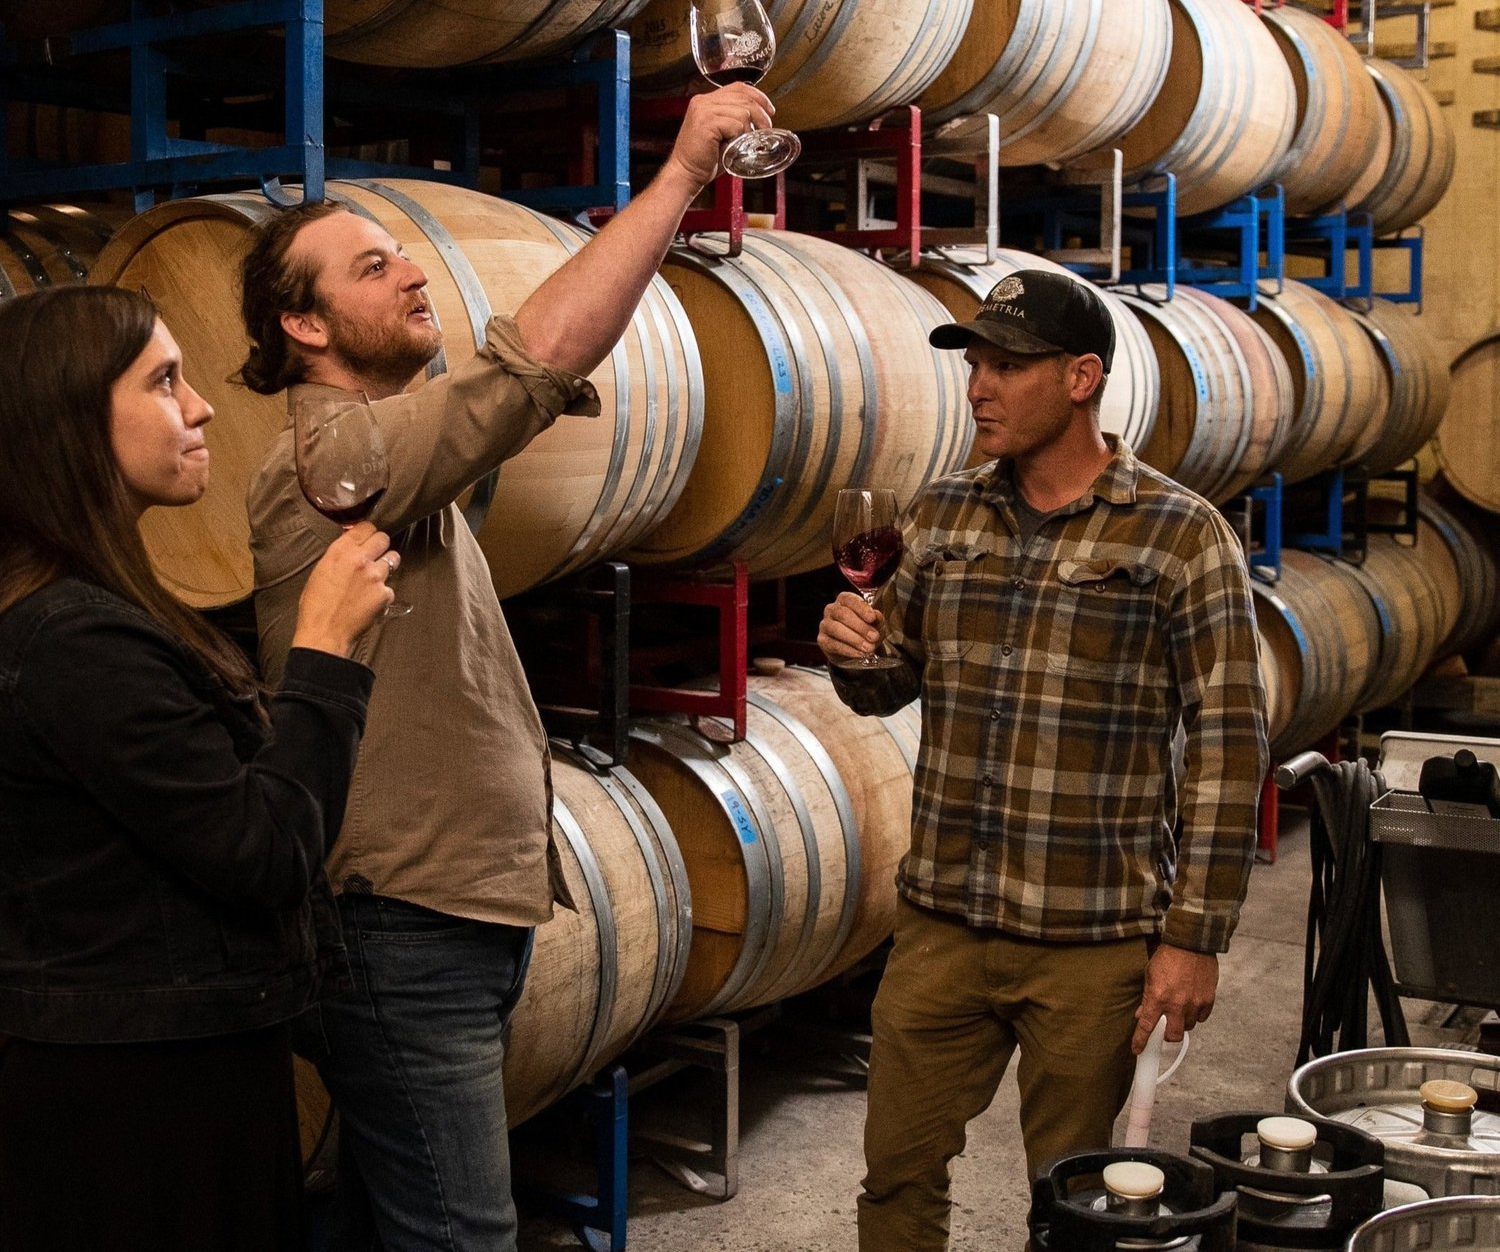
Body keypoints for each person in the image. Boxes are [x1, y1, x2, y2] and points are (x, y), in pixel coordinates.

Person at [237, 83, 773, 1249]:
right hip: (398, 927)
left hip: (438, 917)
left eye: (404, 255)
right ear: (306, 328)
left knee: (392, 1221)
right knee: (464, 1235)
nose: (413, 272)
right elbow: (535, 360)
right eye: (371, 267)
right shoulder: (334, 458)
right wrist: (684, 172)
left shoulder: (391, 459)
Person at [818, 269, 1268, 1249]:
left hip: (1090, 944)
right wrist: (855, 656)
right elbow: (891, 682)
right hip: (940, 925)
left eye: (1007, 365)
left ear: (1080, 377)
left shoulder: (1180, 534)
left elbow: (1232, 747)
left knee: (1073, 1207)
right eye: (975, 363)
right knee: (894, 1182)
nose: (979, 385)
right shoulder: (940, 517)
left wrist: (1194, 937)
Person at [0, 285, 398, 1251]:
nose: (202, 404)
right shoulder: (75, 642)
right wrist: (325, 655)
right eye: (164, 381)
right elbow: (264, 849)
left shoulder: (82, 609)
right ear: (73, 424)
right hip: (144, 1102)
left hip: (145, 1073)